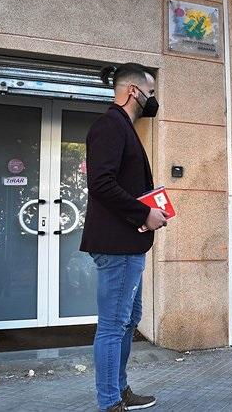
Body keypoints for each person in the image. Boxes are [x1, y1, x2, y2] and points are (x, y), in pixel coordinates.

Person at [80, 63, 168, 412]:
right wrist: (143, 212)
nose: (153, 99)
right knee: (113, 326)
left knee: (129, 320)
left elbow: (122, 184)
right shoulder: (110, 125)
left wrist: (152, 208)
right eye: (151, 92)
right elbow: (100, 183)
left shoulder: (124, 128)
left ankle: (119, 389)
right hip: (116, 246)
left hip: (129, 243)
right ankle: (109, 402)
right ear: (134, 91)